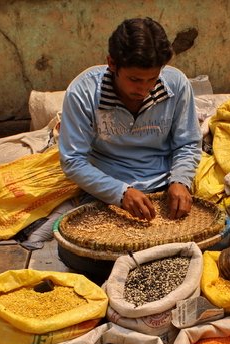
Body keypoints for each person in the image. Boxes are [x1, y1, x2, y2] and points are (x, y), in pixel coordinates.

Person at [58, 17, 202, 221]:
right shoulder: (83, 91)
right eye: (134, 79)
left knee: (221, 232)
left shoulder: (177, 84)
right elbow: (73, 160)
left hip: (165, 184)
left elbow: (188, 144)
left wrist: (180, 181)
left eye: (152, 79)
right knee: (75, 252)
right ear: (112, 64)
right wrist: (120, 193)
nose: (143, 89)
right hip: (106, 188)